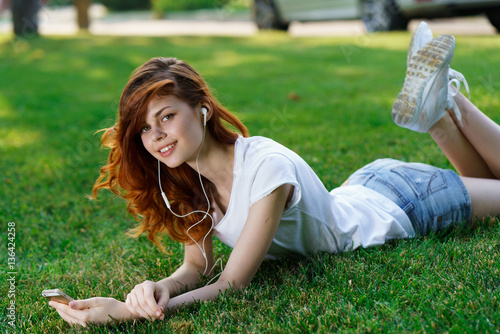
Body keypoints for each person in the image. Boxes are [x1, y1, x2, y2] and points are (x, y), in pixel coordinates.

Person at [49, 22, 500, 326]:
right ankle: (437, 111)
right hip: (366, 186)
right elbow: (198, 266)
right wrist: (153, 289)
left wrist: (127, 316)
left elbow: (232, 284)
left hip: (405, 204)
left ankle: (450, 103)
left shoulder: (267, 169)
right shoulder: (183, 179)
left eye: (166, 117)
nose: (157, 137)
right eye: (145, 128)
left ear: (203, 110)